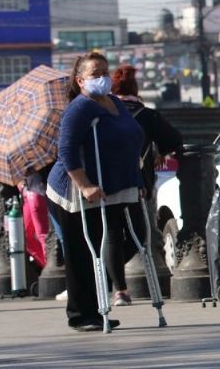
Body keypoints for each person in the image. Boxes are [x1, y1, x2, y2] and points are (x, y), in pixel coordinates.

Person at [46, 52, 145, 332]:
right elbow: (65, 150)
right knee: (80, 252)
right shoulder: (79, 108)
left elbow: (131, 135)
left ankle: (97, 310)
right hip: (74, 191)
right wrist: (84, 184)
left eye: (104, 71)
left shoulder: (113, 102)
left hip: (110, 187)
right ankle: (80, 314)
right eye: (95, 74)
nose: (102, 78)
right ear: (80, 81)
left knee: (98, 250)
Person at [106, 65, 183, 307]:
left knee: (112, 236)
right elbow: (175, 140)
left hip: (106, 185)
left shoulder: (102, 114)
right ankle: (128, 277)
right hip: (139, 186)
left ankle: (119, 289)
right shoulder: (147, 116)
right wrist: (158, 152)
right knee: (141, 235)